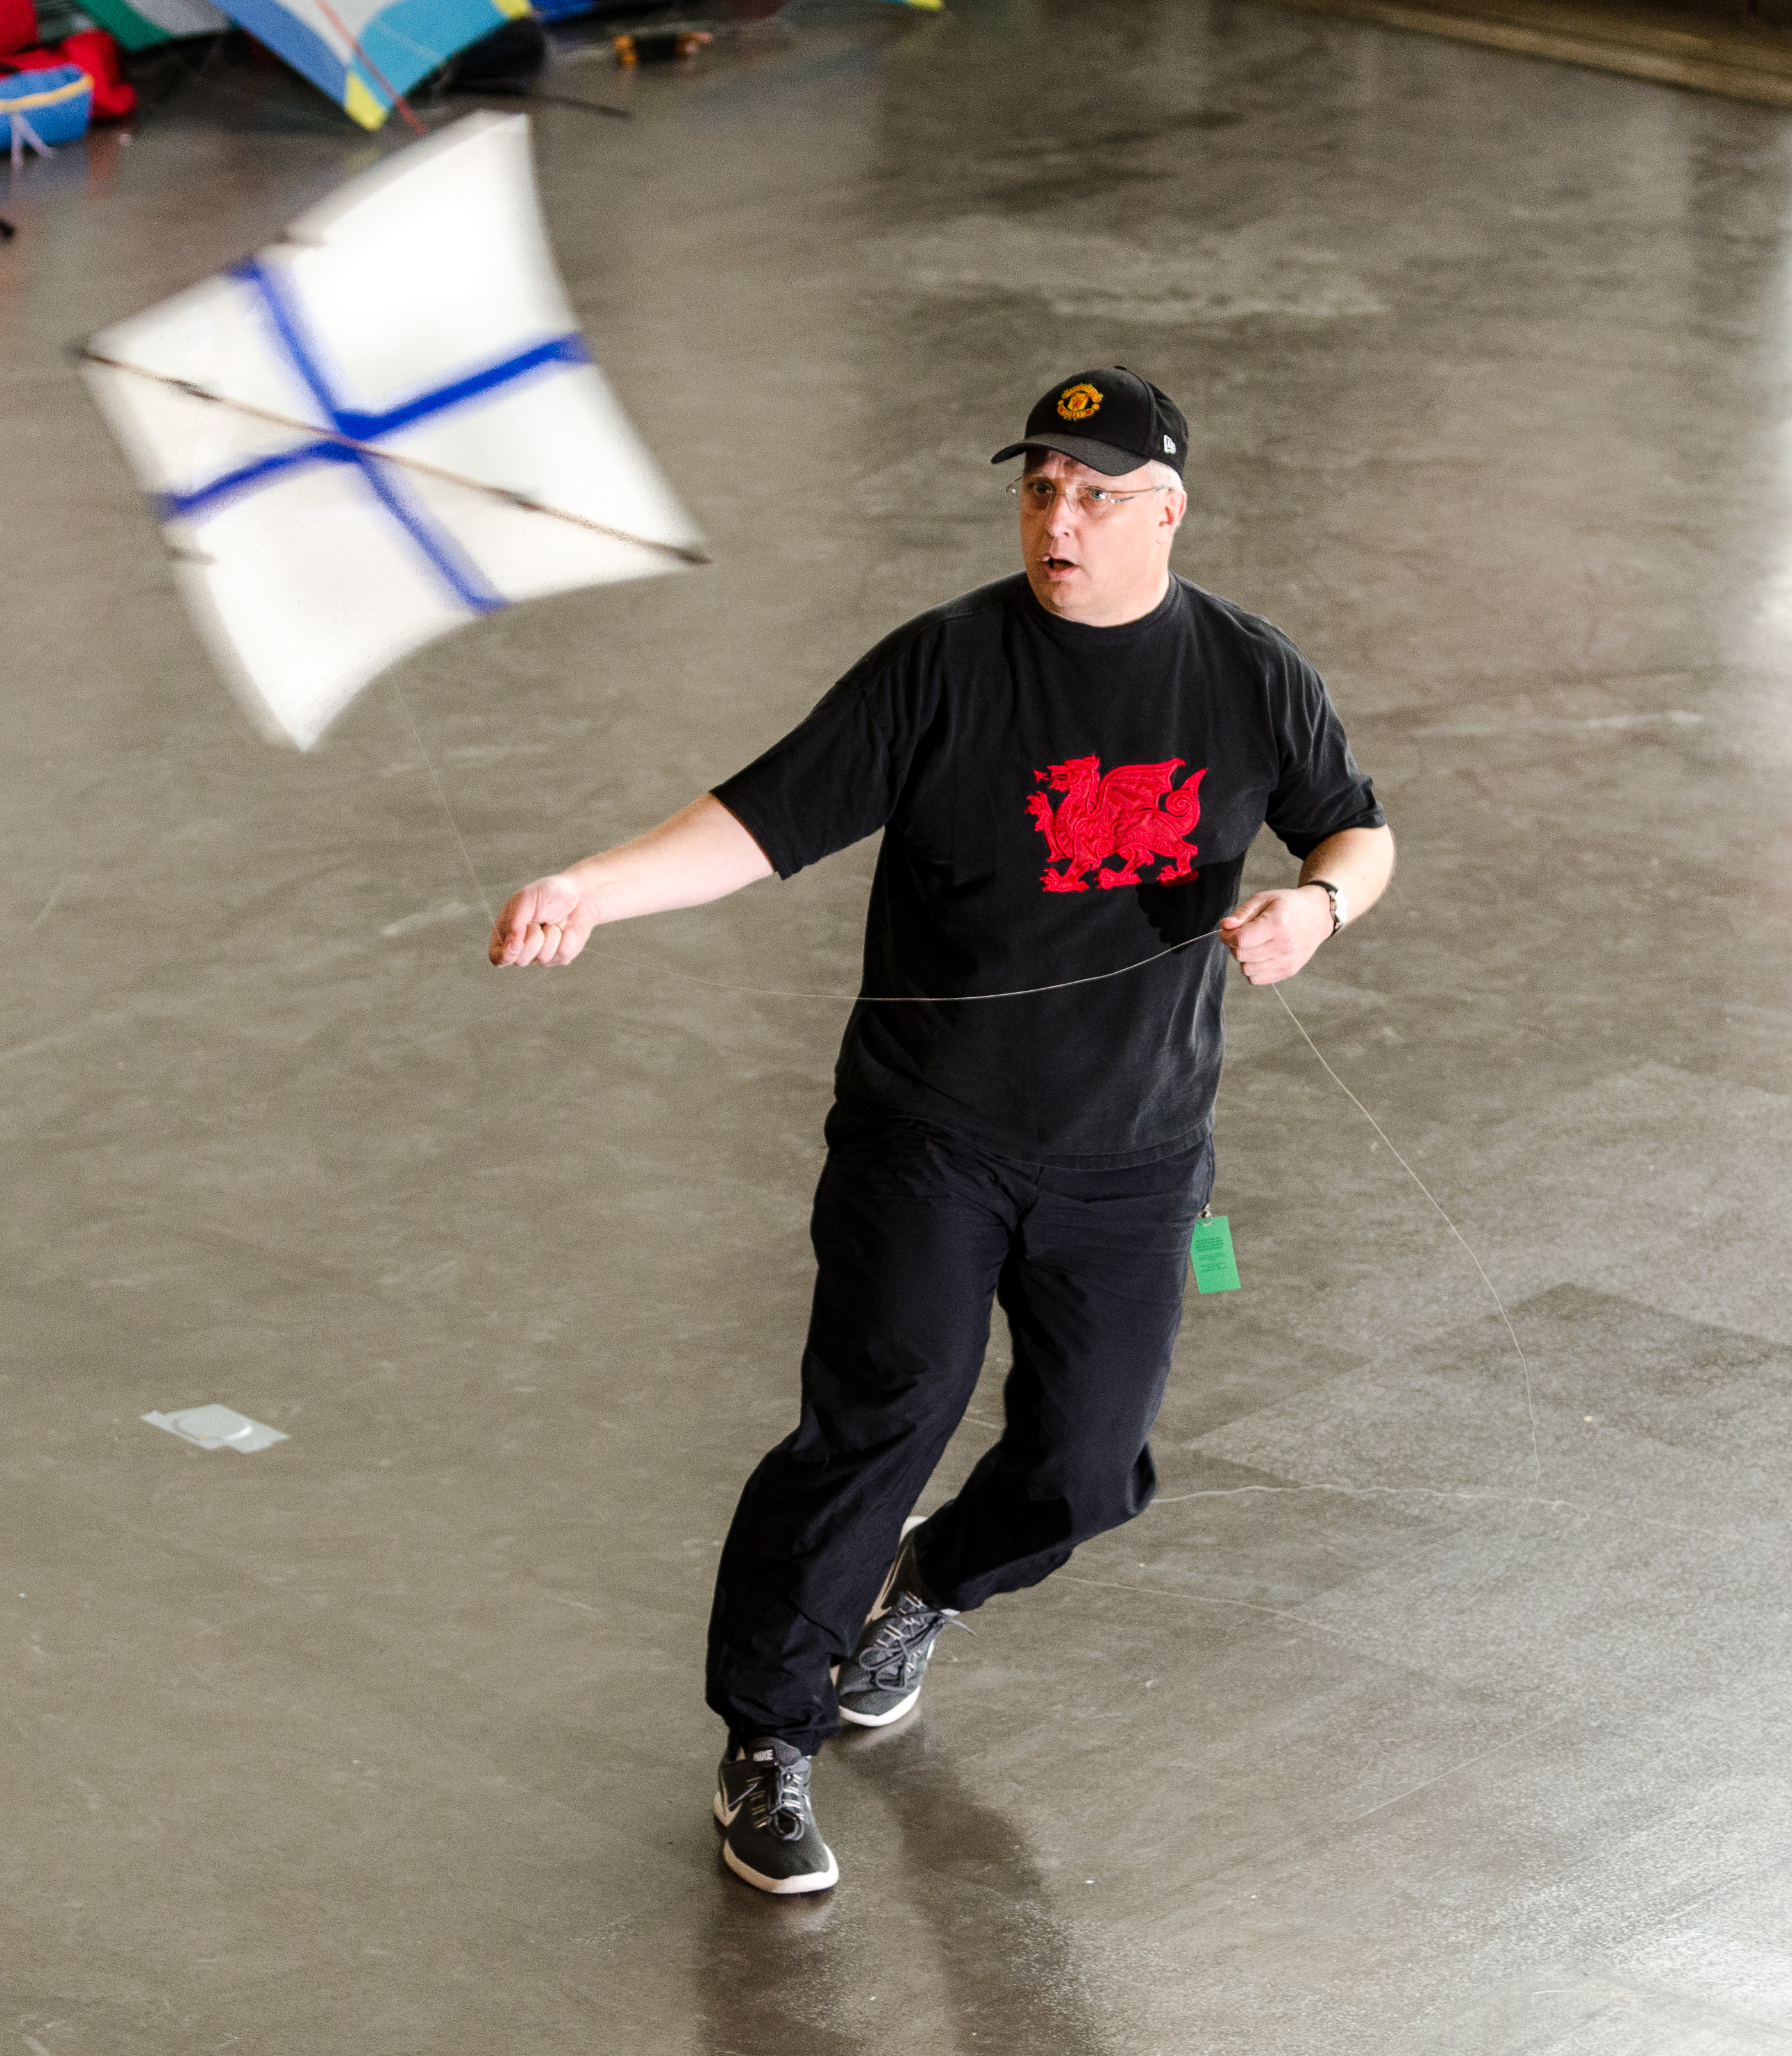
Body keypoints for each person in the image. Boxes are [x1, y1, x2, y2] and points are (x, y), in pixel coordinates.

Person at [487, 367, 1394, 1895]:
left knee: (1090, 1463)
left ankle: (933, 1584)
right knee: (877, 1419)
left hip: (1136, 1151)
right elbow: (763, 818)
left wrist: (1316, 904)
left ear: (1165, 509)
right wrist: (591, 885)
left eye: (1097, 492)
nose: (1061, 515)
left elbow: (1355, 827)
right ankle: (766, 1738)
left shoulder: (1248, 672)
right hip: (931, 1137)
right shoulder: (946, 668)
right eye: (1040, 484)